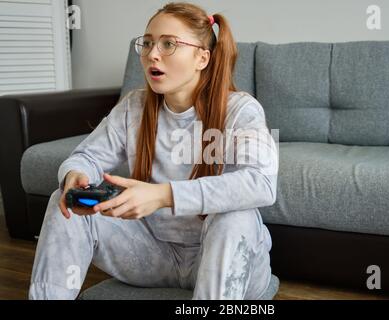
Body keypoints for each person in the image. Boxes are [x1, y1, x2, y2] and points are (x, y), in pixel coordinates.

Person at [29, 2, 278, 300]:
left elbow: (260, 183)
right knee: (64, 198)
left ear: (202, 57)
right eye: (147, 43)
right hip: (154, 257)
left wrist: (163, 195)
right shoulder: (133, 107)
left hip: (228, 262)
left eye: (169, 44)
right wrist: (76, 174)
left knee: (236, 216)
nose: (152, 54)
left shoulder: (241, 110)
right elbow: (87, 156)